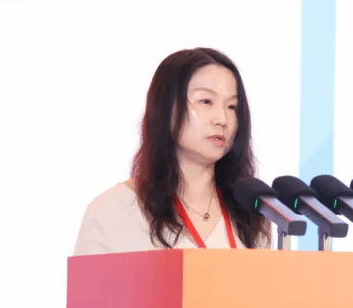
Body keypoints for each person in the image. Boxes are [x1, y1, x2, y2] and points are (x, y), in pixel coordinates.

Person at [73, 48, 271, 255]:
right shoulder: (110, 212)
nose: (222, 119)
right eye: (206, 101)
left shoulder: (252, 216)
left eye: (232, 107)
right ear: (165, 107)